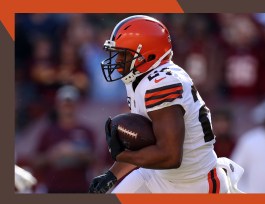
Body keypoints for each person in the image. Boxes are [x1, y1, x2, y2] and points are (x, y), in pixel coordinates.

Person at [89, 15, 243, 193]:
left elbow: (171, 156)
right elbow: (147, 143)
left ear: (147, 54)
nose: (116, 61)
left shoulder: (162, 83)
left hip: (194, 184)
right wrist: (112, 175)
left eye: (124, 54)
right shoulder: (140, 77)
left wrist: (123, 153)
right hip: (158, 175)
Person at [32, 85, 96, 193]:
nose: (67, 107)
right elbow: (35, 161)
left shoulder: (86, 131)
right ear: (58, 105)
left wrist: (76, 152)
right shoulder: (48, 131)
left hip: (79, 188)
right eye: (64, 104)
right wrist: (52, 154)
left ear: (77, 105)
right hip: (54, 188)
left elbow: (95, 159)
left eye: (70, 104)